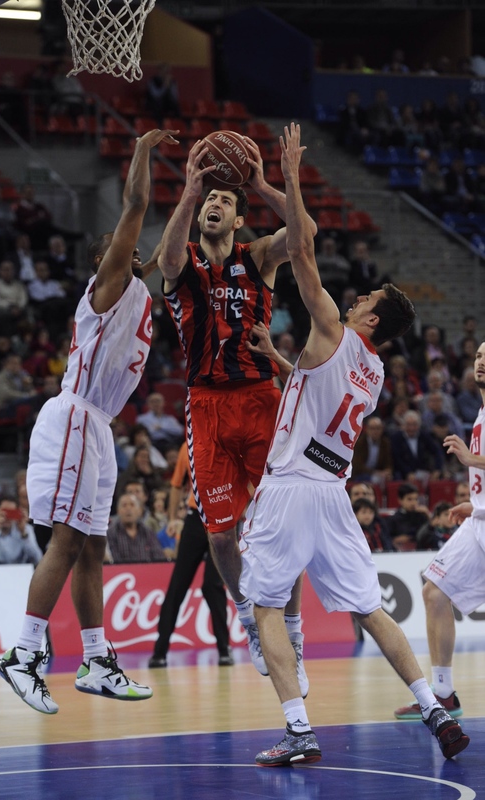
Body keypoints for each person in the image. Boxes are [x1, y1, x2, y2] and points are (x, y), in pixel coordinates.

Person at [238, 123, 468, 765]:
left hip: (289, 490)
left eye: (364, 297)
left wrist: (281, 178)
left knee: (264, 607)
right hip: (334, 495)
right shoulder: (372, 373)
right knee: (370, 610)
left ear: (367, 317)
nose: (356, 296)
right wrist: (278, 359)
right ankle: (431, 707)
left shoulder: (333, 328)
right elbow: (317, 394)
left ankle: (298, 728)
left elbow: (303, 248)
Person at [0, 127, 178, 715]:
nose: (126, 256)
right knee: (69, 541)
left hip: (98, 427)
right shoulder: (105, 289)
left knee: (94, 548)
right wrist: (144, 151)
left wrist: (195, 192)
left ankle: (96, 660)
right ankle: (22, 654)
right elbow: (136, 205)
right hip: (74, 416)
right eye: (117, 252)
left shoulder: (135, 291)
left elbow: (160, 256)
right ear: (105, 263)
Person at [157, 129, 310, 683]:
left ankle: (291, 628)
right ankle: (247, 612)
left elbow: (305, 232)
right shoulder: (184, 257)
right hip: (207, 407)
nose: (216, 205)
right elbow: (168, 262)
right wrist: (190, 194)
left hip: (261, 399)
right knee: (220, 534)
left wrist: (268, 183)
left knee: (284, 527)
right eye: (211, 202)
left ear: (239, 218)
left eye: (225, 201)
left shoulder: (258, 256)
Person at [394, 340, 485, 722]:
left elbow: (477, 460)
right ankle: (443, 694)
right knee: (434, 592)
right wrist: (476, 503)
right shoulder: (481, 410)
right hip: (480, 521)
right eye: (478, 355)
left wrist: (471, 458)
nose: (481, 362)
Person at [149, 442, 232, 668]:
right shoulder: (189, 446)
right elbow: (176, 485)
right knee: (178, 585)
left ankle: (225, 649)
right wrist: (172, 519)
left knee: (212, 585)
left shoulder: (229, 441)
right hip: (195, 518)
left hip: (221, 519)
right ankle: (160, 652)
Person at [106, 492, 167, 564]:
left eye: (132, 505)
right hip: (122, 573)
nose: (128, 509)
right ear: (118, 511)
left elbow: (159, 558)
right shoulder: (111, 533)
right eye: (124, 505)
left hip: (147, 573)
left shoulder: (148, 532)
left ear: (139, 511)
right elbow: (114, 562)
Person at [0, 494, 42, 565]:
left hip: (18, 572)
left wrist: (23, 534)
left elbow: (38, 559)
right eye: (4, 512)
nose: (7, 517)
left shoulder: (26, 529)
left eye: (11, 513)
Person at [386, 482, 431, 551]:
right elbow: (388, 540)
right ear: (400, 500)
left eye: (416, 499)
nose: (413, 503)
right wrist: (395, 540)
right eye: (409, 499)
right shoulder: (393, 520)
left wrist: (428, 515)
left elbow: (430, 535)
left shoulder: (422, 516)